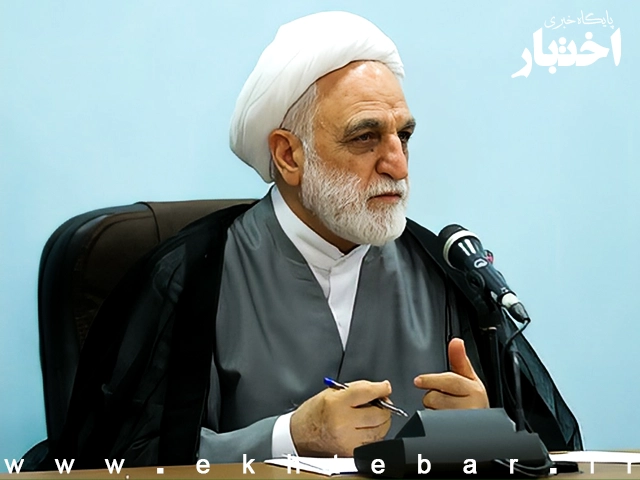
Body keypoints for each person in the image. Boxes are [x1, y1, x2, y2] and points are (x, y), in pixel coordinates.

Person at [33, 11, 582, 469]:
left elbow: (557, 451)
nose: (397, 164)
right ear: (289, 155)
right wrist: (288, 437)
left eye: (404, 135)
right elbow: (119, 462)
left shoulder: (444, 273)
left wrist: (484, 435)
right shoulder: (193, 276)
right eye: (365, 136)